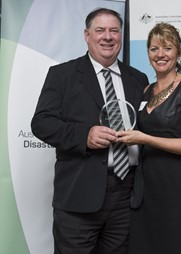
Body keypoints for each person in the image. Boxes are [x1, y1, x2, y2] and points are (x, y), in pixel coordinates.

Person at [31, 8, 148, 254]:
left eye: (114, 30)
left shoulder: (138, 79)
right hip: (79, 197)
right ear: (87, 35)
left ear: (121, 35)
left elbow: (146, 130)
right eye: (100, 30)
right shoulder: (62, 75)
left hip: (126, 198)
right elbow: (41, 123)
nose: (108, 36)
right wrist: (84, 135)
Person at [117, 22, 181, 254]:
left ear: (178, 52)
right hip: (146, 190)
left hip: (179, 189)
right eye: (154, 48)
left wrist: (146, 138)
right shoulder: (146, 90)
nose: (160, 55)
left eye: (167, 48)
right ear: (148, 53)